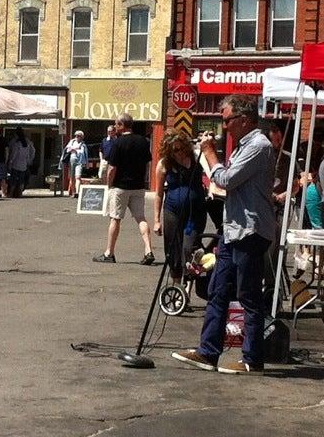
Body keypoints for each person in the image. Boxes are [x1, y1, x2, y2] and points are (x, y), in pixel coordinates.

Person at [175, 95, 277, 374]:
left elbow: (227, 180)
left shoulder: (258, 146)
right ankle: (208, 352)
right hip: (233, 229)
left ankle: (252, 359)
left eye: (227, 120)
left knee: (248, 295)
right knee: (217, 290)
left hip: (250, 229)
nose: (224, 126)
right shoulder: (243, 146)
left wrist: (209, 154)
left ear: (244, 120)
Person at [97, 113, 155, 265]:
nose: (115, 127)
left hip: (120, 186)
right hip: (138, 186)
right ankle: (148, 250)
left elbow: (112, 168)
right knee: (140, 218)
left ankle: (109, 253)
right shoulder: (143, 141)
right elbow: (148, 163)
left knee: (115, 219)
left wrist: (109, 184)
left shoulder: (117, 143)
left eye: (116, 124)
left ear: (122, 125)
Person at [154, 130, 206, 275]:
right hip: (172, 211)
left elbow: (211, 175)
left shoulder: (196, 158)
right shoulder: (164, 164)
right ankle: (177, 284)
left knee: (189, 248)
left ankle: (189, 281)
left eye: (181, 148)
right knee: (173, 249)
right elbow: (158, 194)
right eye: (175, 150)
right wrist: (157, 220)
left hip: (195, 212)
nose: (179, 153)